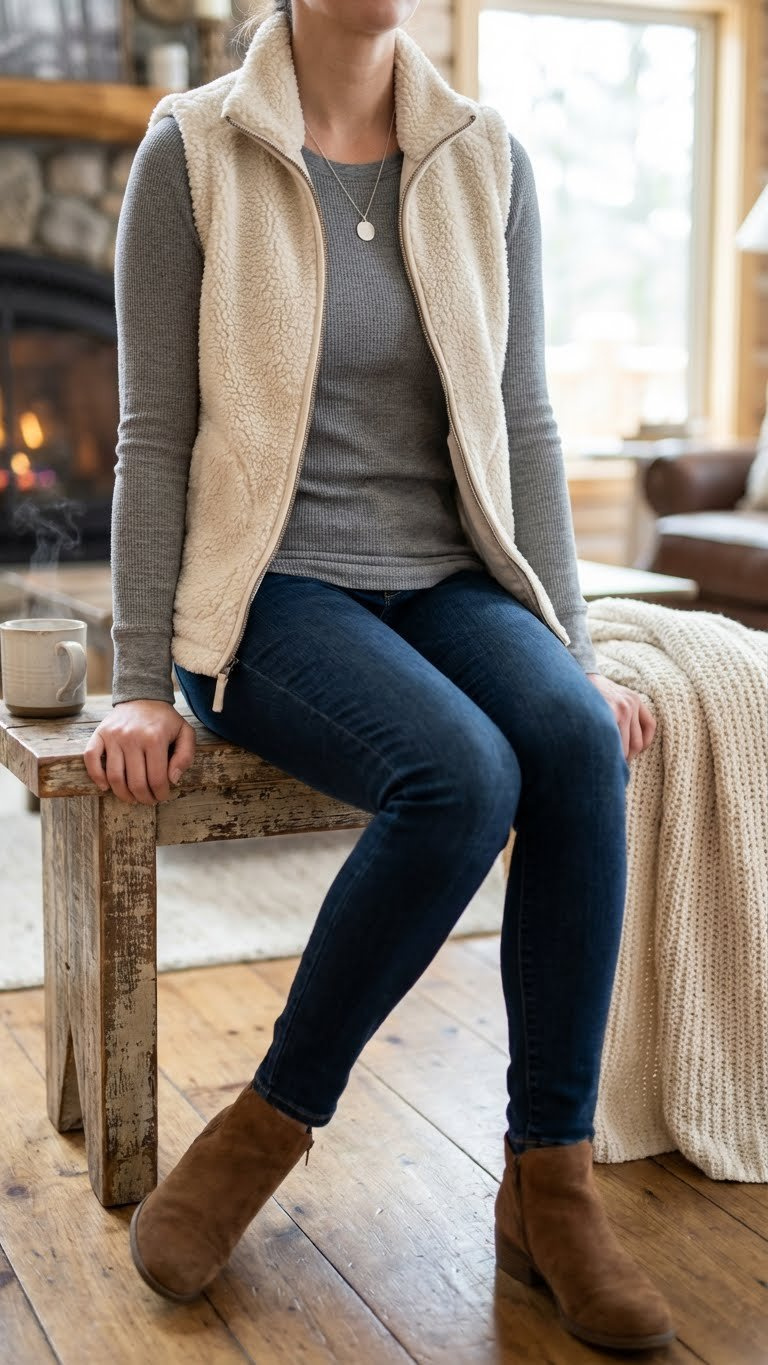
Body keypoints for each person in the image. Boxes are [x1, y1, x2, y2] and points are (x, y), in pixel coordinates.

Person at [84, 0, 674, 1350]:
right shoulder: (190, 151)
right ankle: (265, 1126)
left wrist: (574, 656)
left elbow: (525, 421)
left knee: (573, 741)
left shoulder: (484, 156)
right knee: (459, 776)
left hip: (450, 578)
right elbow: (152, 432)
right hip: (271, 595)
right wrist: (131, 675)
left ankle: (551, 1181)